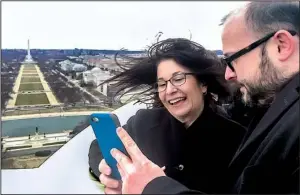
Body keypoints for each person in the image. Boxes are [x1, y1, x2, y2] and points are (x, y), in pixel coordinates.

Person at [103, 1, 300, 194]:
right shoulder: (143, 121)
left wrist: (152, 187)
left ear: (282, 46)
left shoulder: (235, 136)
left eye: (232, 59)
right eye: (162, 83)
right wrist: (116, 173)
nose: (229, 75)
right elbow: (101, 149)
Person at [88, 38, 246, 194]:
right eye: (162, 84)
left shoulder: (238, 140)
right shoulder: (143, 121)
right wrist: (107, 170)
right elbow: (98, 147)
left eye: (178, 79)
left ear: (203, 84)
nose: (169, 90)